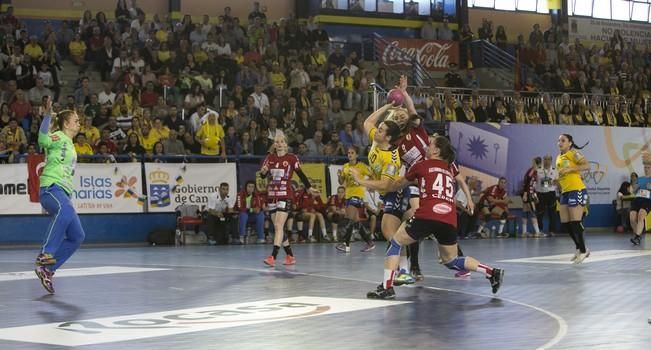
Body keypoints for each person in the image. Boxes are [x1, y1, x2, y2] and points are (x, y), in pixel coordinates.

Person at [353, 135, 504, 299]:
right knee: (451, 260)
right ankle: (492, 272)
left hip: (428, 215)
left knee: (396, 242)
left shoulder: (422, 165)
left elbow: (394, 185)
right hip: (449, 218)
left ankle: (387, 287)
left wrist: (363, 181)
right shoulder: (448, 169)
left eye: (430, 144)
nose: (426, 146)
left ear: (437, 151)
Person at [34, 98, 85, 294]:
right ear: (66, 123)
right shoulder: (58, 136)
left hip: (63, 191)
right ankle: (45, 255)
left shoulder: (71, 145)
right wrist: (48, 116)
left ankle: (47, 269)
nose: (79, 123)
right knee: (65, 210)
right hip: (51, 188)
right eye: (76, 120)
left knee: (77, 236)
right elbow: (42, 140)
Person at [260, 134, 317, 267]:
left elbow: (301, 174)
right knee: (277, 227)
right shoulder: (269, 158)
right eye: (276, 142)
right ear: (274, 144)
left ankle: (272, 256)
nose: (279, 144)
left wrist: (309, 188)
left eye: (281, 142)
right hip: (272, 195)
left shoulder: (291, 158)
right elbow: (263, 175)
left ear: (286, 144)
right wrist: (263, 172)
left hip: (285, 194)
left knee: (279, 226)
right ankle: (290, 256)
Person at [556, 134, 590, 262]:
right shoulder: (558, 157)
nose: (560, 142)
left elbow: (586, 166)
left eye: (563, 140)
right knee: (565, 222)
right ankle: (578, 248)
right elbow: (561, 173)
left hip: (577, 189)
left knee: (575, 221)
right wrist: (557, 180)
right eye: (558, 141)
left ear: (570, 143)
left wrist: (571, 169)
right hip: (565, 192)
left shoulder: (573, 153)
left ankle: (583, 250)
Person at [336, 146, 375, 252]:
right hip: (348, 195)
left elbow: (372, 175)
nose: (349, 154)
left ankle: (346, 244)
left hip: (357, 195)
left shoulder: (361, 166)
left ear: (356, 155)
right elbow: (341, 182)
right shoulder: (345, 166)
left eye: (352, 153)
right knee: (356, 221)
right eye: (348, 152)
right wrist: (339, 176)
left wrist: (369, 185)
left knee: (349, 218)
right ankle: (369, 242)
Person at [629, 153, 651, 246]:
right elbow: (633, 191)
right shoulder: (640, 179)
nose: (646, 169)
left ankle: (637, 237)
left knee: (641, 215)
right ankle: (637, 235)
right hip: (638, 199)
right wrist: (634, 187)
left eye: (648, 167)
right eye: (645, 167)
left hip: (648, 200)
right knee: (632, 217)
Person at [535, 155, 558, 236]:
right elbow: (535, 182)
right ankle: (539, 230)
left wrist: (553, 182)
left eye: (548, 159)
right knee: (539, 213)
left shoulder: (555, 170)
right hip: (540, 193)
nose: (546, 161)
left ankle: (552, 231)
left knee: (552, 213)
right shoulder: (538, 170)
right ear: (543, 160)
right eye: (545, 159)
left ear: (551, 160)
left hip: (551, 193)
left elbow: (557, 182)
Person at [521, 157, 543, 237]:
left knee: (525, 212)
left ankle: (524, 232)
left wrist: (535, 195)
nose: (532, 163)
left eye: (533, 162)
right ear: (539, 163)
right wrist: (525, 194)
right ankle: (537, 232)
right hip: (528, 194)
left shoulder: (536, 172)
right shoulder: (532, 171)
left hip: (530, 193)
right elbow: (527, 182)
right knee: (533, 212)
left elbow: (533, 185)